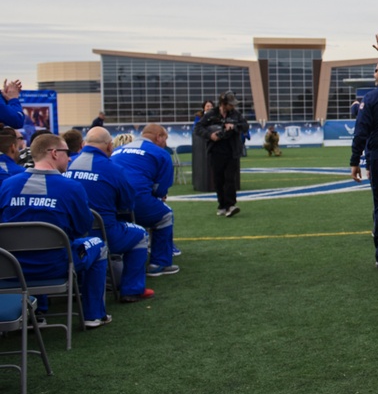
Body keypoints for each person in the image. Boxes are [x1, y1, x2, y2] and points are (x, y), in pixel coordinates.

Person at [0, 133, 112, 328]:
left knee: (32, 246)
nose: (69, 157)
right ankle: (94, 315)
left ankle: (38, 311)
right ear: (53, 153)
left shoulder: (8, 186)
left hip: (11, 269)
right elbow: (82, 228)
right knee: (98, 245)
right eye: (66, 152)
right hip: (55, 266)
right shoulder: (71, 188)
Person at [68, 127, 154, 303]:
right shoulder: (114, 169)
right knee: (140, 234)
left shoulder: (67, 164)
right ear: (109, 146)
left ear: (84, 144)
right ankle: (132, 289)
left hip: (71, 235)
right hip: (104, 232)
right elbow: (127, 205)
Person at [349, 54, 378, 270]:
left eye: (376, 70)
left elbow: (360, 132)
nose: (374, 74)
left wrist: (355, 160)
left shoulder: (371, 97)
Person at [111, 124, 179, 276]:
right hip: (137, 200)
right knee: (165, 215)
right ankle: (159, 263)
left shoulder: (117, 151)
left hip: (111, 202)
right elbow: (160, 190)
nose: (165, 144)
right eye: (165, 139)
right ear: (158, 137)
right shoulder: (161, 154)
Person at [194, 91, 249, 218]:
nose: (233, 107)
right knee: (219, 180)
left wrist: (234, 127)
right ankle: (222, 205)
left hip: (232, 151)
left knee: (230, 178)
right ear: (223, 104)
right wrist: (210, 135)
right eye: (230, 104)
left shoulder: (235, 114)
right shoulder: (211, 114)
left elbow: (245, 126)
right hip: (216, 151)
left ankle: (231, 205)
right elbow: (198, 128)